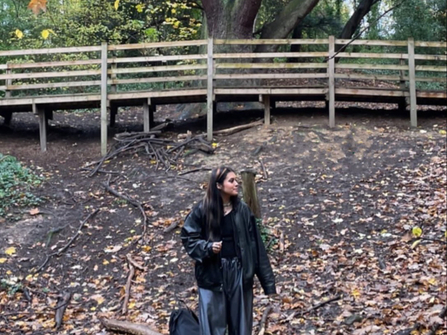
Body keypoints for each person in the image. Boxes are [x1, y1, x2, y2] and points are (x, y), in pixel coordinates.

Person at [181, 166, 276, 335]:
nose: (236, 184)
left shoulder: (243, 210)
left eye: (236, 180)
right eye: (231, 181)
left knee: (240, 327)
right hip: (212, 276)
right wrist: (207, 248)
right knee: (212, 327)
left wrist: (268, 284)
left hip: (239, 273)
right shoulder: (202, 210)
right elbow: (188, 239)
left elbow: (256, 247)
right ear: (218, 185)